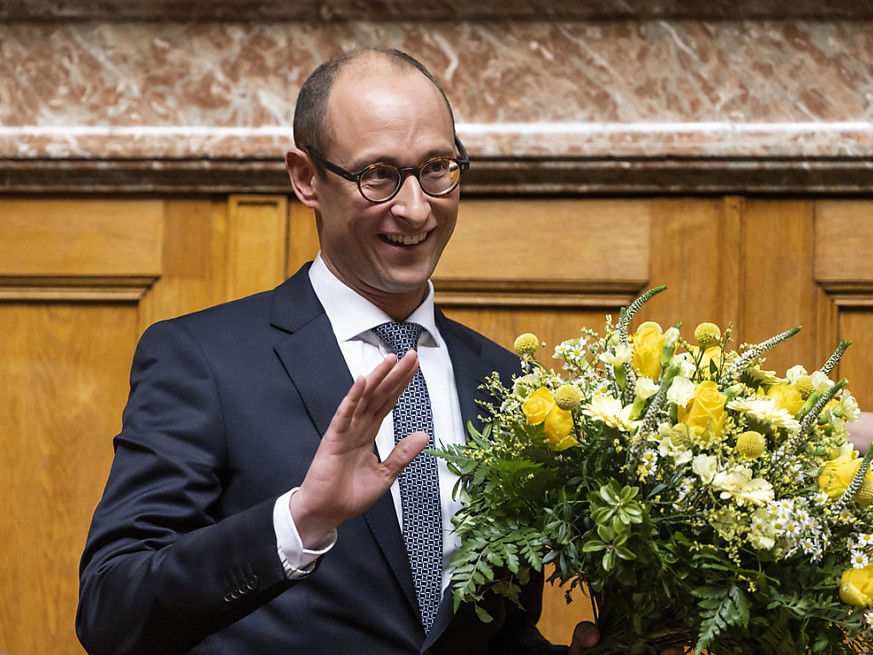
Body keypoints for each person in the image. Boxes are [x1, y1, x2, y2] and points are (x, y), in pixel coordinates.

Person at [74, 48, 686, 655]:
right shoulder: (204, 360)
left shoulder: (509, 383)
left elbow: (492, 630)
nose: (416, 207)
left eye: (438, 167)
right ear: (306, 178)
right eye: (378, 175)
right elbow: (112, 611)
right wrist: (300, 521)